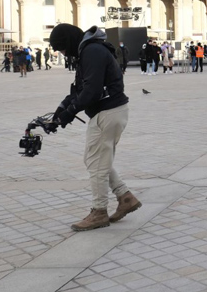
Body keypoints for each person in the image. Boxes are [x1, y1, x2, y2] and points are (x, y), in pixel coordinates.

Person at [49, 24, 141, 231]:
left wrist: (70, 112)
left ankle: (99, 212)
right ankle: (125, 197)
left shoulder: (91, 51)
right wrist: (62, 109)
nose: (62, 53)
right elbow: (80, 89)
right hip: (109, 112)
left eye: (61, 48)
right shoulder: (88, 50)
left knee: (97, 163)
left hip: (107, 113)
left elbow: (92, 90)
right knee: (96, 160)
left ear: (68, 43)